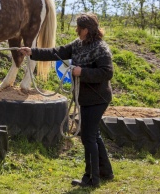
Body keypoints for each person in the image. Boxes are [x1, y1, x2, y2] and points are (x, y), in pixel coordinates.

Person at [19, 13, 114, 188]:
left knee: (88, 137)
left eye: (78, 27)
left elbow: (107, 72)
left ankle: (91, 179)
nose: (76, 29)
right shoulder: (78, 44)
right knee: (94, 135)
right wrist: (32, 52)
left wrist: (82, 72)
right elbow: (57, 52)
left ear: (85, 30)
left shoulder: (101, 48)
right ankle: (105, 171)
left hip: (98, 99)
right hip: (85, 98)